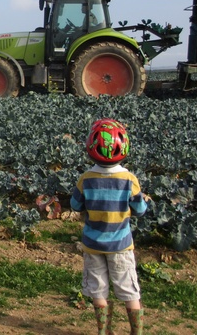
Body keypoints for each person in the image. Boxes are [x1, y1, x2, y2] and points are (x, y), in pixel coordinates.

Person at [71, 119, 148, 335]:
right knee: (129, 290)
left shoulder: (85, 179)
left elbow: (75, 205)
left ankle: (104, 332)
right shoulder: (129, 180)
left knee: (98, 291)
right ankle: (136, 332)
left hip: (93, 244)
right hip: (121, 246)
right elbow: (140, 210)